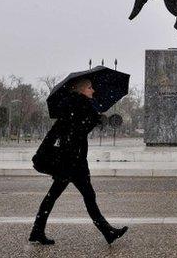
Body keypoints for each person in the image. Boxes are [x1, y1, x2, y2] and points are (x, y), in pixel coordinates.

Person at [29, 78, 128, 245]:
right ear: (82, 90)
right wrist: (94, 120)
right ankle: (107, 232)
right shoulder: (80, 106)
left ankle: (37, 230)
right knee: (85, 196)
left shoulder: (74, 106)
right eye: (90, 87)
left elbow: (67, 130)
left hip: (70, 161)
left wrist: (93, 119)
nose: (93, 91)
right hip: (72, 162)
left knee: (57, 196)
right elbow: (76, 131)